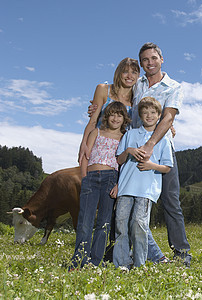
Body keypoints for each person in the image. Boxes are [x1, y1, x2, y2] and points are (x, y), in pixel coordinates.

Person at [89, 43, 192, 267]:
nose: (149, 63)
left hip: (159, 149)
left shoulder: (173, 86)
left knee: (170, 202)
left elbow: (167, 117)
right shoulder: (139, 84)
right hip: (132, 150)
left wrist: (151, 144)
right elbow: (120, 99)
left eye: (153, 58)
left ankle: (182, 253)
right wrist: (97, 107)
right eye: (145, 60)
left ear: (162, 59)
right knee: (125, 204)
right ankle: (122, 253)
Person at [113, 97, 173, 269]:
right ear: (140, 114)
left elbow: (167, 167)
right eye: (145, 112)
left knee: (139, 225)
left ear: (159, 115)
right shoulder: (130, 135)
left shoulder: (163, 140)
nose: (149, 115)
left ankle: (139, 265)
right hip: (126, 188)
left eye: (153, 112)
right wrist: (129, 150)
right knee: (121, 225)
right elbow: (119, 160)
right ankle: (122, 263)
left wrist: (151, 165)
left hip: (146, 190)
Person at [70, 101, 130, 270]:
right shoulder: (96, 132)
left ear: (124, 118)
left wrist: (119, 184)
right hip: (91, 177)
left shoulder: (124, 137)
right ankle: (79, 260)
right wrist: (84, 178)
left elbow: (125, 164)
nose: (115, 118)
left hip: (111, 178)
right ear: (106, 116)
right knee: (85, 221)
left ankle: (95, 261)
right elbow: (85, 157)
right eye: (112, 114)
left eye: (119, 115)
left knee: (104, 222)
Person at [79, 57, 139, 164]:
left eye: (134, 72)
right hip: (99, 148)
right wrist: (84, 143)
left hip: (122, 151)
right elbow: (93, 121)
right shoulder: (103, 90)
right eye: (125, 72)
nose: (130, 76)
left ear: (138, 76)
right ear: (119, 73)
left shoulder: (137, 99)